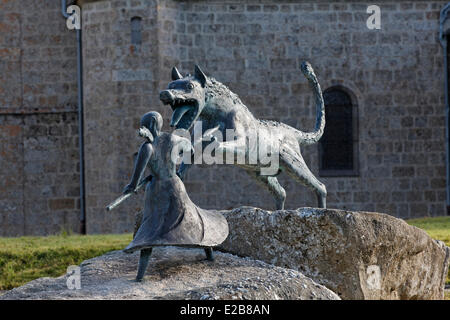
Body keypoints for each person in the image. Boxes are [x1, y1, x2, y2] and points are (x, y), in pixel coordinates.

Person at [122, 111, 228, 282]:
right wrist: (177, 170)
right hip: (176, 185)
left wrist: (132, 186)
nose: (142, 128)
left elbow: (135, 179)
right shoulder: (172, 138)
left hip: (158, 191)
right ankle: (209, 253)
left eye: (143, 125)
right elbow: (190, 150)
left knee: (150, 229)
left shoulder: (147, 147)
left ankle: (140, 275)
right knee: (192, 218)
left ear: (149, 126)